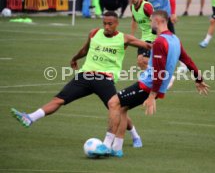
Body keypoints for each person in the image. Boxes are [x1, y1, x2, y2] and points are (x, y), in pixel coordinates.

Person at [11, 11, 151, 149]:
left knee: (117, 109)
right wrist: (75, 58)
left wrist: (163, 46)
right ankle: (30, 118)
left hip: (105, 79)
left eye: (110, 24)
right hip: (85, 76)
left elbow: (147, 46)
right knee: (58, 100)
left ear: (117, 24)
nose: (106, 27)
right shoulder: (94, 33)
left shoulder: (124, 38)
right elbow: (85, 49)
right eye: (104, 23)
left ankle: (135, 135)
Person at [97, 10, 210, 157]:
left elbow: (159, 70)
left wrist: (152, 95)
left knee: (113, 103)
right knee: (122, 108)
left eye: (151, 21)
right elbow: (188, 61)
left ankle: (106, 145)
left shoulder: (160, 41)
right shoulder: (175, 39)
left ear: (158, 21)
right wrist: (199, 79)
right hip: (153, 87)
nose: (150, 23)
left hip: (147, 86)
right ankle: (117, 149)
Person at [140, 0, 188, 84]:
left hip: (165, 18)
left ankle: (183, 64)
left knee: (172, 40)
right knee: (157, 41)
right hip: (156, 19)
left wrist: (173, 13)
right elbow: (144, 3)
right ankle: (156, 68)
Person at [128, 0, 156, 70]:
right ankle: (155, 78)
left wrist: (157, 38)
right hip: (143, 38)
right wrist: (132, 36)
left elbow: (155, 21)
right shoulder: (132, 7)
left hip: (152, 37)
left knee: (145, 61)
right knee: (140, 62)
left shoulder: (146, 6)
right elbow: (134, 21)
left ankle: (162, 77)